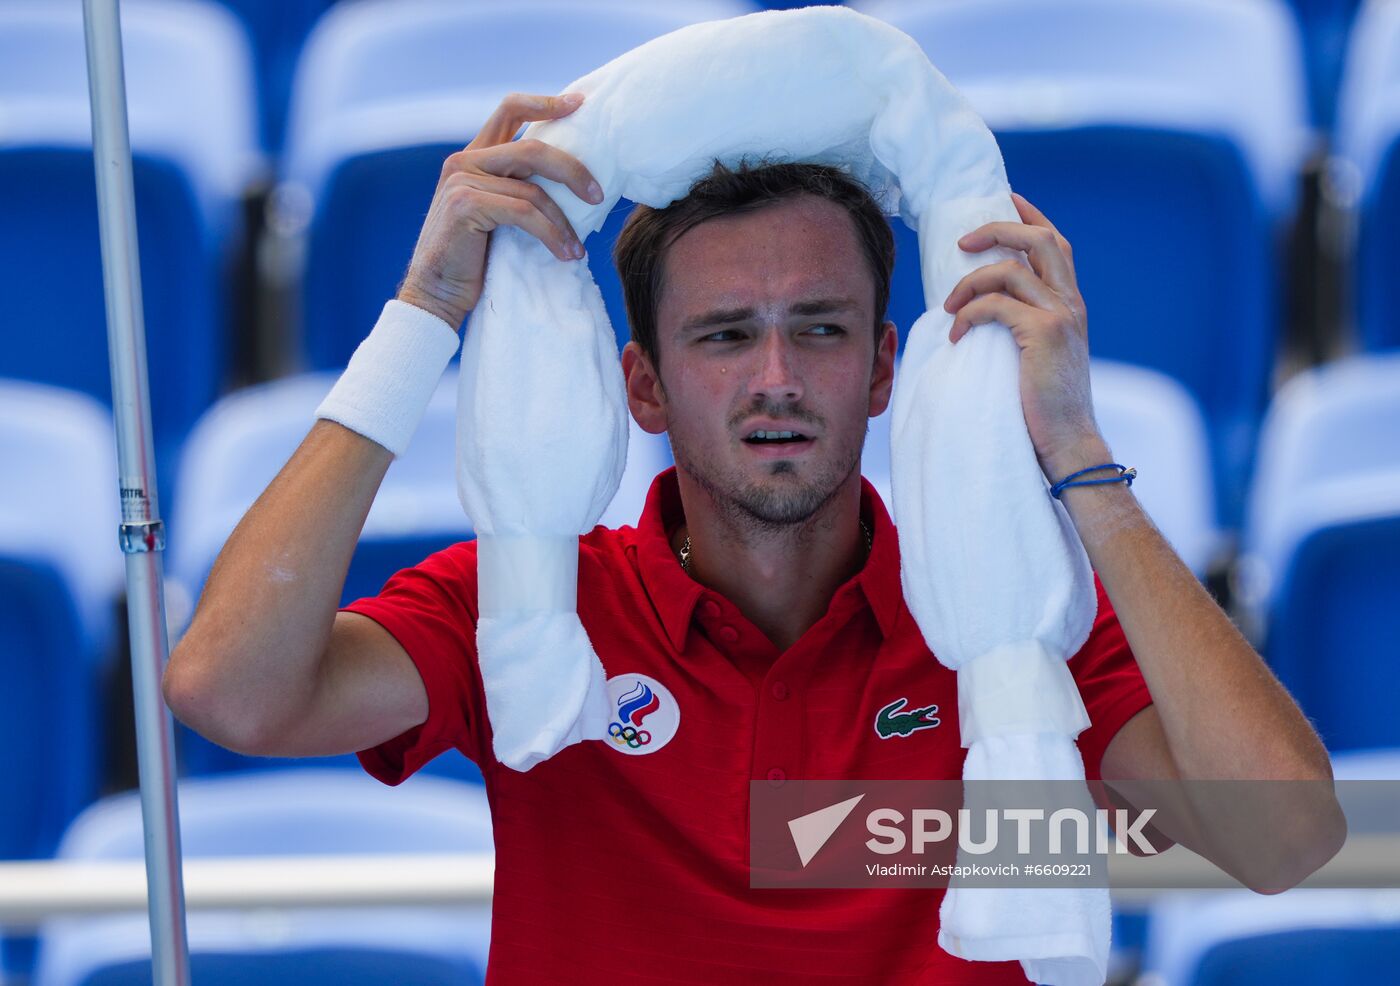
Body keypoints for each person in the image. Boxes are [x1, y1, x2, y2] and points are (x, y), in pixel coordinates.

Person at [165, 92, 1344, 983]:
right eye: (725, 335)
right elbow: (232, 691)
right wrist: (421, 315)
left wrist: (1072, 450)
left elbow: (1284, 837)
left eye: (819, 329)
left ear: (887, 367)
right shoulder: (531, 605)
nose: (775, 379)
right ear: (641, 384)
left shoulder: (1017, 609)